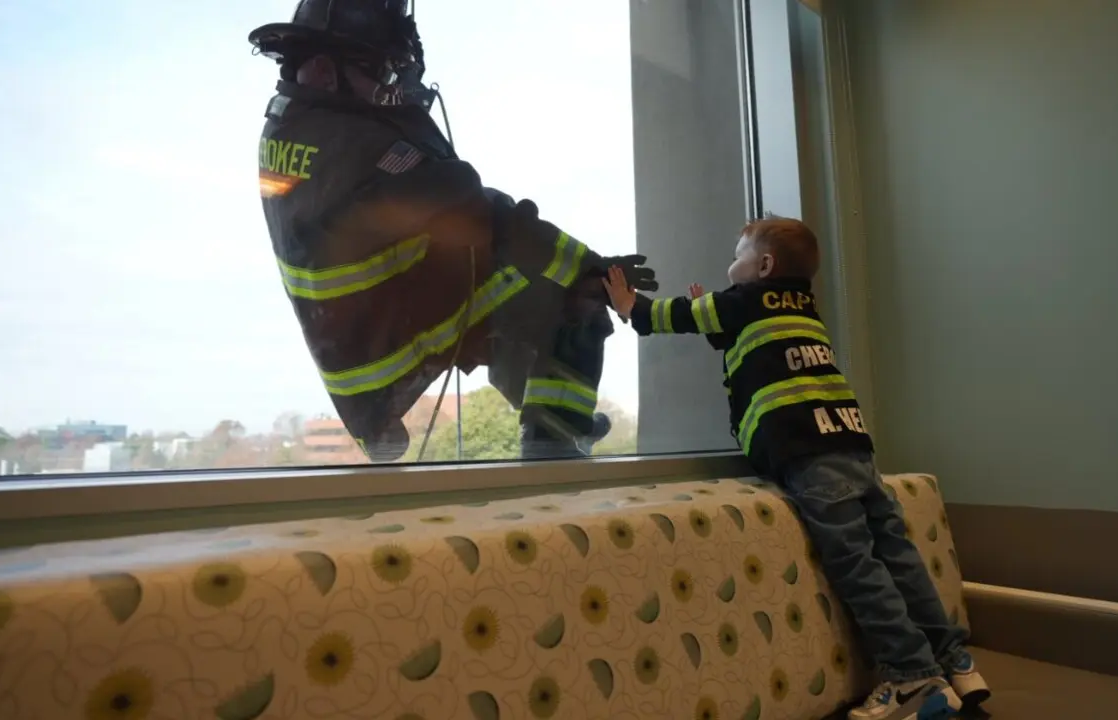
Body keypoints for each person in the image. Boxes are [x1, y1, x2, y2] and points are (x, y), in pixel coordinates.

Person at [601, 215, 990, 720]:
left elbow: (675, 316)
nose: (729, 264)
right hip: (853, 445)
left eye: (738, 254)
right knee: (897, 554)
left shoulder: (743, 300)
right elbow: (745, 341)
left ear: (763, 266)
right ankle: (954, 660)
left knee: (857, 567)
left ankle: (914, 679)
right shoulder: (803, 308)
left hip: (808, 454)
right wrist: (713, 316)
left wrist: (634, 308)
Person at [248, 0, 658, 462]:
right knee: (574, 295)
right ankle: (555, 443)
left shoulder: (292, 130)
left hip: (364, 337)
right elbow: (487, 215)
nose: (392, 86)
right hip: (392, 340)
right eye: (380, 71)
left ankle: (551, 426)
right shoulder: (366, 149)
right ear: (324, 70)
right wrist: (593, 265)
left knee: (519, 279)